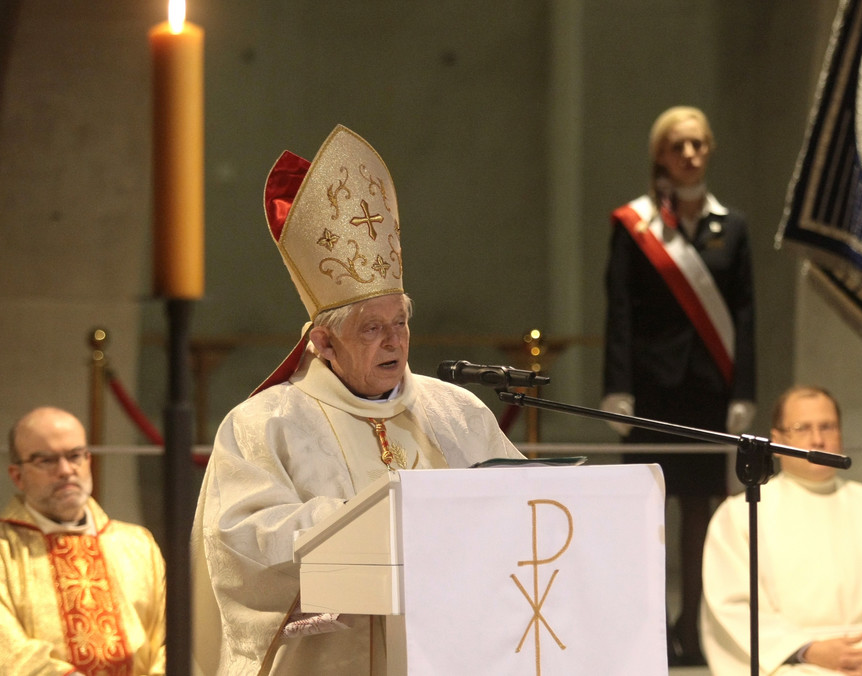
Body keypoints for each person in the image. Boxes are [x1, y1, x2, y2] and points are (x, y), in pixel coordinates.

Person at [191, 125, 525, 675]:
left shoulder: (457, 413)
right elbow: (240, 544)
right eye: (371, 328)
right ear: (322, 342)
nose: (394, 340)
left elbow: (518, 514)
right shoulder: (263, 425)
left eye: (400, 322)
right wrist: (357, 524)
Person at [602, 105, 756, 665]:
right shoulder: (634, 225)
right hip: (648, 391)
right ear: (660, 156)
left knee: (701, 511)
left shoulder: (731, 226)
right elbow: (619, 311)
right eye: (678, 146)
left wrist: (744, 391)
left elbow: (745, 315)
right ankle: (644, 630)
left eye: (699, 144)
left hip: (709, 391)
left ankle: (693, 627)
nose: (690, 155)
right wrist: (616, 388)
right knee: (647, 514)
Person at [701, 386, 862, 676]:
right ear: (777, 439)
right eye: (803, 428)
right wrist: (807, 649)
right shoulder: (742, 514)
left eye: (828, 427)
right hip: (795, 664)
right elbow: (732, 608)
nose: (818, 439)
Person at [2, 406, 166, 675]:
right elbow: (9, 650)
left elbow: (170, 636)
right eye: (46, 461)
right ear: (17, 476)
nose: (65, 470)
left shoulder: (137, 545)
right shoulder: (4, 550)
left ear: (88, 460)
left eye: (75, 456)